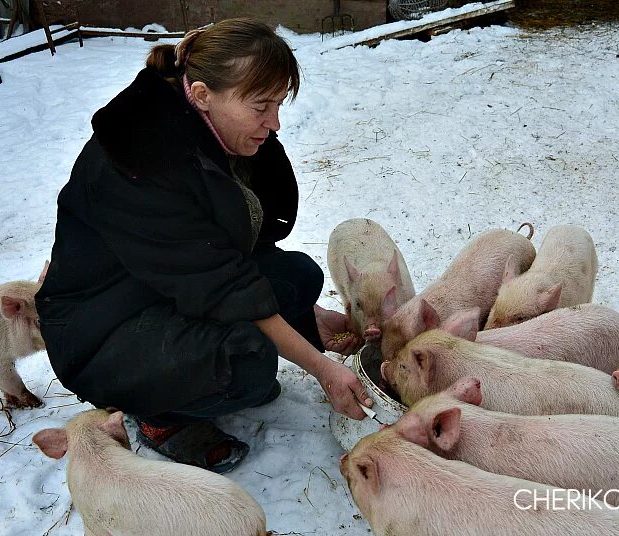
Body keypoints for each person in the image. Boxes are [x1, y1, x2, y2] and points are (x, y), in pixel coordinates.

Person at [35, 18, 372, 474]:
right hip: (103, 331)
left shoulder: (211, 130)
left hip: (162, 288)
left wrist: (308, 323)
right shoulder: (142, 162)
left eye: (278, 104)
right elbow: (221, 282)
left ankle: (208, 373)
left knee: (300, 277)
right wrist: (320, 368)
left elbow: (225, 256)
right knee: (249, 365)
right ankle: (160, 418)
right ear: (201, 95)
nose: (273, 124)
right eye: (260, 106)